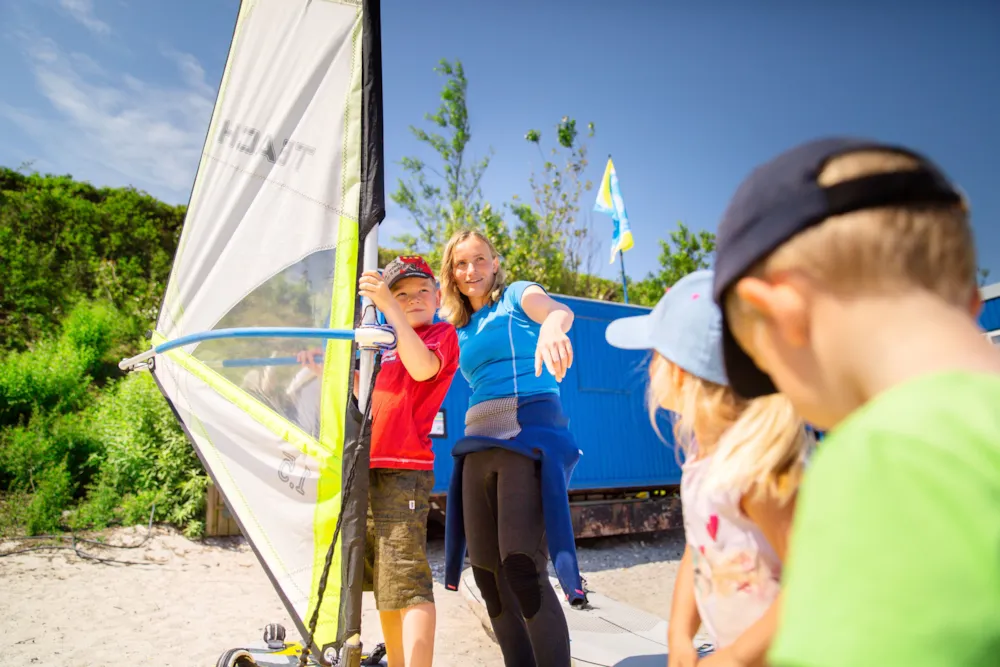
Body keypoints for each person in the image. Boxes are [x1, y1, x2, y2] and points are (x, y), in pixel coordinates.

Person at [711, 137, 1000, 666]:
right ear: (970, 301)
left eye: (764, 365)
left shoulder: (884, 458)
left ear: (781, 311)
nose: (779, 391)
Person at [605, 269, 814, 667]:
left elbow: (811, 581)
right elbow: (700, 550)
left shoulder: (756, 467)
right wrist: (679, 635)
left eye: (654, 356)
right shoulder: (703, 456)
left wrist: (734, 657)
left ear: (681, 373)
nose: (649, 368)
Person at [300, 255, 459, 667]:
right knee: (384, 583)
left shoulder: (439, 335)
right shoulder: (385, 343)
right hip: (366, 465)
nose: (412, 299)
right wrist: (323, 371)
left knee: (407, 579)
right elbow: (369, 393)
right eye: (401, 294)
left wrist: (389, 306)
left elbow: (422, 369)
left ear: (438, 296)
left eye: (422, 290)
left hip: (404, 469)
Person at [439, 229, 585, 667]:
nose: (472, 271)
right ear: (452, 273)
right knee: (486, 577)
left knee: (521, 569)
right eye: (461, 264)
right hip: (477, 444)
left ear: (495, 262)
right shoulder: (457, 326)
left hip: (526, 435)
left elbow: (558, 312)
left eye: (480, 260)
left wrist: (552, 330)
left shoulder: (516, 297)